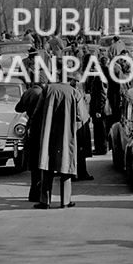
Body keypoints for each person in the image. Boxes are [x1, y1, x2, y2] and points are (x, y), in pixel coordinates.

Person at [32, 80, 88, 209]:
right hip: (66, 133)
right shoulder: (75, 92)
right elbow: (81, 116)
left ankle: (45, 201)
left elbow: (38, 111)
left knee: (47, 164)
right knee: (66, 164)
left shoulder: (47, 90)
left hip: (48, 131)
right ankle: (65, 201)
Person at [16, 78, 48, 202]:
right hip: (41, 127)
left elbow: (18, 108)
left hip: (30, 127)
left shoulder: (28, 92)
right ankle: (40, 192)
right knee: (41, 161)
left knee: (33, 160)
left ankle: (33, 193)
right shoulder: (43, 93)